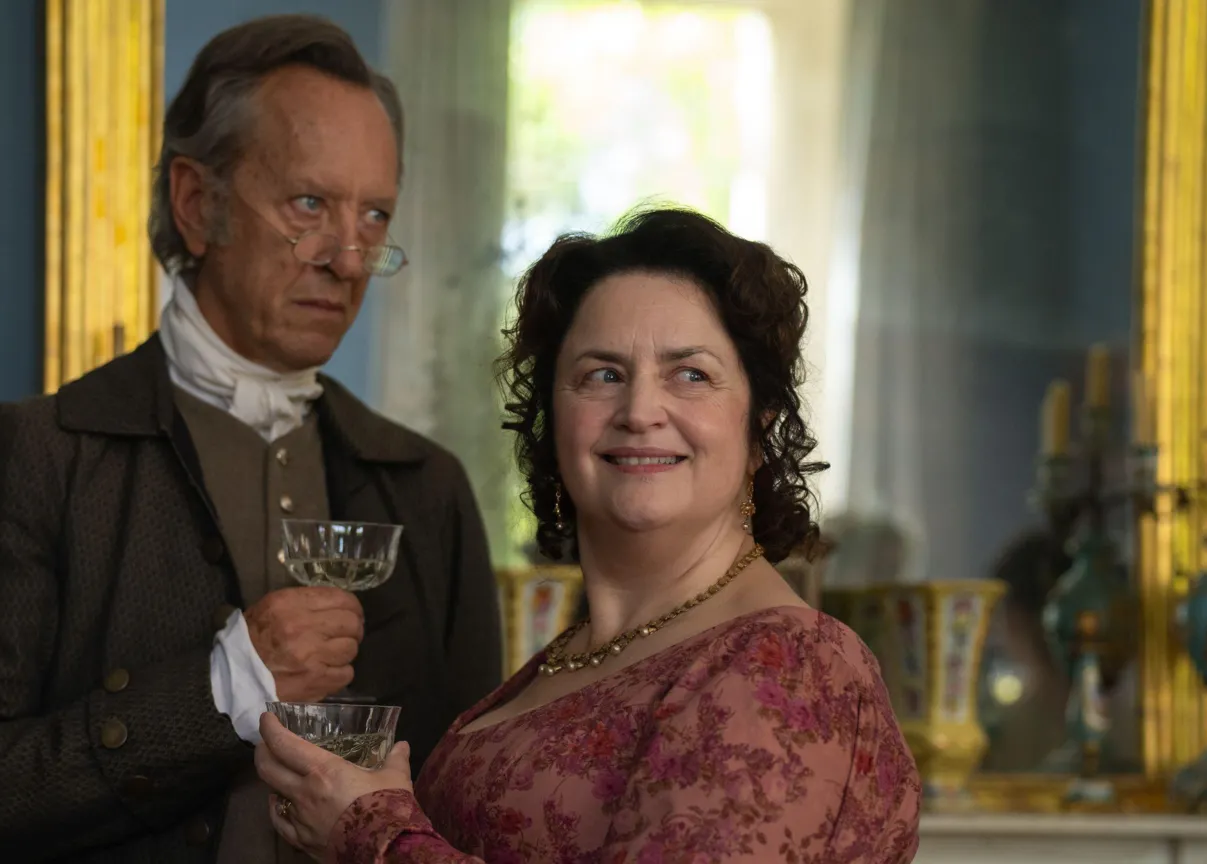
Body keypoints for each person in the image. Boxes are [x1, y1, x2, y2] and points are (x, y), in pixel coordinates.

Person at [0, 15, 502, 863]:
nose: (349, 261)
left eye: (375, 216)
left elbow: (470, 810)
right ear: (197, 204)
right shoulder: (38, 458)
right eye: (309, 205)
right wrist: (220, 688)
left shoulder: (428, 489)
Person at [256, 208, 923, 862]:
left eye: (690, 375)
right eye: (602, 375)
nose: (639, 411)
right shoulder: (574, 656)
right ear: (552, 418)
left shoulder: (791, 664)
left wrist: (371, 832)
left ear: (757, 428)